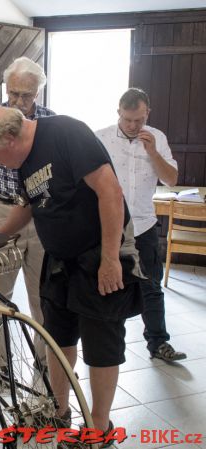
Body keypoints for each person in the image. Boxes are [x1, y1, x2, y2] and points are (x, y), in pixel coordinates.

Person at [0, 106, 143, 439]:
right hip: (61, 259)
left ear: (10, 137)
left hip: (98, 253)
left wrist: (109, 259)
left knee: (101, 344)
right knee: (57, 337)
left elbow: (110, 192)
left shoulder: (67, 134)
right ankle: (58, 412)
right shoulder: (24, 160)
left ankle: (99, 427)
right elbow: (30, 204)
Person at [0, 57, 55, 363]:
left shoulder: (49, 123)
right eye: (13, 92)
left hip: (41, 218)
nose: (17, 101)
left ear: (38, 93)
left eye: (25, 95)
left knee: (44, 297)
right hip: (1, 213)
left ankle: (45, 364)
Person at [95, 88, 186, 363]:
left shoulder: (157, 138)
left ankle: (158, 344)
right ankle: (106, 345)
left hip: (144, 226)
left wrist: (153, 153)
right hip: (109, 228)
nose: (133, 126)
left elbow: (171, 180)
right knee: (109, 286)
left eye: (139, 120)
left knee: (151, 286)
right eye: (127, 120)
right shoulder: (101, 138)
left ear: (147, 113)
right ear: (118, 113)